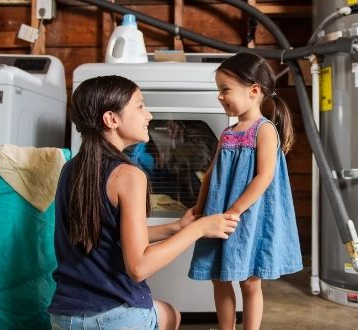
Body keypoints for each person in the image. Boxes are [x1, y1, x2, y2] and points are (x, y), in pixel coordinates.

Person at [47, 75, 240, 330]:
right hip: (113, 318)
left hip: (64, 317)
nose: (148, 115)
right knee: (172, 315)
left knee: (166, 312)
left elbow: (107, 236)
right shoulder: (129, 175)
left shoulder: (71, 168)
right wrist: (199, 229)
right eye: (140, 106)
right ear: (111, 119)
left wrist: (175, 227)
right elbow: (139, 267)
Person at [188, 52, 303, 330]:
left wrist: (235, 211)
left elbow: (264, 177)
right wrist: (199, 208)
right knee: (220, 277)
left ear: (253, 91)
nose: (220, 96)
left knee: (250, 280)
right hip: (220, 213)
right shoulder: (228, 134)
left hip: (247, 217)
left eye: (225, 89)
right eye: (219, 90)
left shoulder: (264, 130)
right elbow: (210, 175)